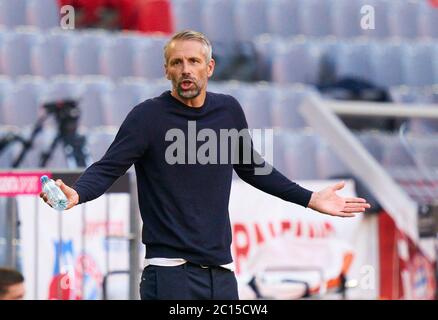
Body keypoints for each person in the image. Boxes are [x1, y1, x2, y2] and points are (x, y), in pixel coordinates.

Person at [40, 30, 371, 300]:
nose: (186, 69)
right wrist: (79, 193)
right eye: (177, 62)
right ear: (167, 70)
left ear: (209, 67)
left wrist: (309, 198)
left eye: (194, 61)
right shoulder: (147, 117)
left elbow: (253, 167)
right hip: (169, 274)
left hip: (221, 273)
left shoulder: (228, 111)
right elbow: (109, 166)